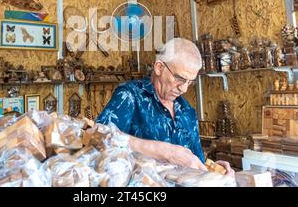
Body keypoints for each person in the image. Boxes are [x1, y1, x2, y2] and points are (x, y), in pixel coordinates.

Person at [96, 38, 234, 176]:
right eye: (180, 79)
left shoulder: (187, 111)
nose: (184, 89)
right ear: (159, 68)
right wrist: (163, 151)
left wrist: (212, 170)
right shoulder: (130, 96)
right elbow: (98, 137)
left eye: (190, 82)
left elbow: (196, 165)